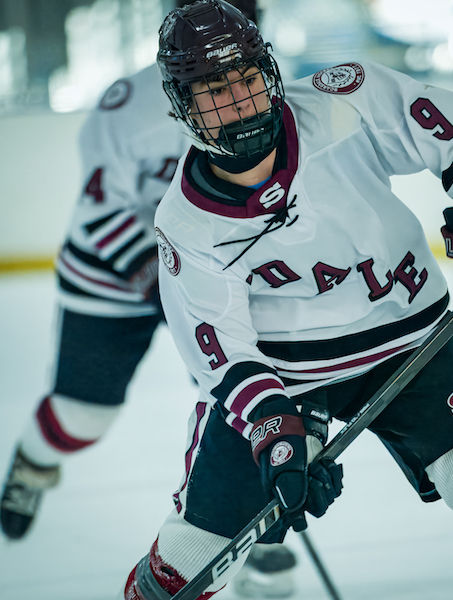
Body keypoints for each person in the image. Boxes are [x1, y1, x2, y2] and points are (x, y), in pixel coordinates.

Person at [121, 1, 453, 599]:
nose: (240, 101)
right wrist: (276, 434)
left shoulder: (344, 101)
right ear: (183, 106)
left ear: (269, 73)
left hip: (407, 343)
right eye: (215, 90)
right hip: (285, 374)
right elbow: (220, 350)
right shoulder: (186, 223)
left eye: (247, 77)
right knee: (189, 560)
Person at [0, 1, 298, 597]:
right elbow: (100, 211)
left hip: (215, 271)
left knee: (249, 399)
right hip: (111, 280)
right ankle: (33, 464)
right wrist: (156, 278)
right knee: (82, 415)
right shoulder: (124, 107)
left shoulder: (263, 88)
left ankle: (259, 535)